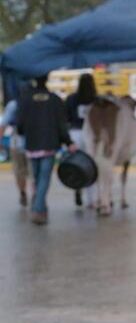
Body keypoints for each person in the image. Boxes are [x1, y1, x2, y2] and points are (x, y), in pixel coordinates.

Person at [17, 75, 77, 224]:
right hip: (49, 145)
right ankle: (38, 209)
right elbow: (62, 125)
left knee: (37, 178)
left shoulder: (25, 99)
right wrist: (68, 142)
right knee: (44, 178)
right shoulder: (55, 100)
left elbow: (20, 125)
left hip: (31, 144)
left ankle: (40, 207)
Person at [65, 73, 97, 207]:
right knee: (91, 166)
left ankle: (78, 188)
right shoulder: (96, 100)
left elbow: (66, 118)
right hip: (92, 134)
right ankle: (91, 199)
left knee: (77, 166)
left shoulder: (72, 99)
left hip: (75, 133)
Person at [0, 94, 30, 207]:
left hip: (16, 142)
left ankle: (22, 192)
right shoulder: (35, 102)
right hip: (35, 143)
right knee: (34, 173)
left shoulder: (13, 104)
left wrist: (0, 140)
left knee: (19, 171)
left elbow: (3, 125)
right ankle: (36, 197)